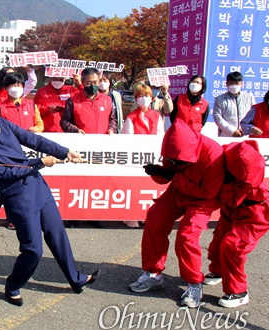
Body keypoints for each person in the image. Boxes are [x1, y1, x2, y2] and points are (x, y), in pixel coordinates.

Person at [0, 103, 99, 306]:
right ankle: (13, 285)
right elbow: (8, 173)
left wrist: (65, 152)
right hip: (19, 199)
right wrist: (41, 163)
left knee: (57, 234)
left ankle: (75, 278)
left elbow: (32, 139)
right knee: (33, 249)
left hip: (38, 188)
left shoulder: (1, 124)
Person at [129, 119, 224, 309]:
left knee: (187, 236)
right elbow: (165, 180)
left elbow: (208, 192)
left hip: (202, 200)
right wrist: (159, 172)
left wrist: (176, 176)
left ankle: (194, 283)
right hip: (177, 192)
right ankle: (153, 273)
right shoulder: (174, 149)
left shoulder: (214, 154)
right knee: (155, 220)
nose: (174, 163)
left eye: (177, 162)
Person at [204, 140, 269, 307]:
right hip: (233, 207)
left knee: (233, 246)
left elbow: (236, 194)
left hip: (255, 213)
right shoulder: (229, 155)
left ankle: (239, 291)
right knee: (219, 240)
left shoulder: (248, 166)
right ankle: (218, 271)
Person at [121, 84, 165, 228]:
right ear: (135, 99)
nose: (143, 99)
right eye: (140, 96)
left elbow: (160, 135)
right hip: (135, 157)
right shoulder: (131, 117)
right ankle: (132, 217)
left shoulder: (156, 115)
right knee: (134, 187)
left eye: (146, 96)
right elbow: (127, 138)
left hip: (151, 156)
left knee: (149, 187)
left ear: (151, 98)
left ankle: (148, 216)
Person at [60, 67, 117, 135]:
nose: (92, 85)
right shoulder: (72, 101)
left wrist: (111, 129)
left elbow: (113, 119)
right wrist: (75, 130)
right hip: (81, 142)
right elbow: (64, 122)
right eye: (89, 83)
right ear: (83, 82)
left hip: (102, 141)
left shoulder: (107, 100)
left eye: (95, 82)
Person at [213, 71, 256, 137]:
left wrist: (248, 129)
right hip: (227, 135)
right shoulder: (219, 99)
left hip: (245, 135)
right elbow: (217, 117)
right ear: (226, 84)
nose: (234, 85)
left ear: (241, 84)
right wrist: (232, 131)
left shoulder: (249, 97)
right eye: (231, 83)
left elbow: (253, 116)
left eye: (236, 83)